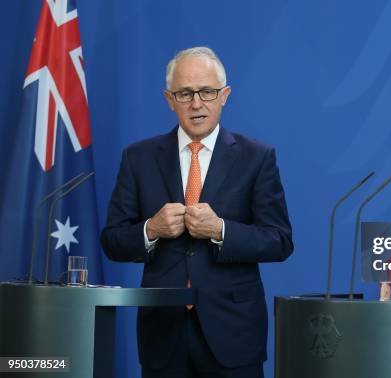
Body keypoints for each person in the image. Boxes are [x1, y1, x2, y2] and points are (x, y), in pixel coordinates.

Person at [100, 46, 293, 378]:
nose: (196, 103)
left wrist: (221, 230)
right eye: (185, 93)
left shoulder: (257, 158)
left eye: (207, 91)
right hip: (163, 334)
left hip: (233, 334)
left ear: (224, 95)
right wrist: (151, 229)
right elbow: (113, 240)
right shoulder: (138, 158)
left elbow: (279, 241)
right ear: (169, 99)